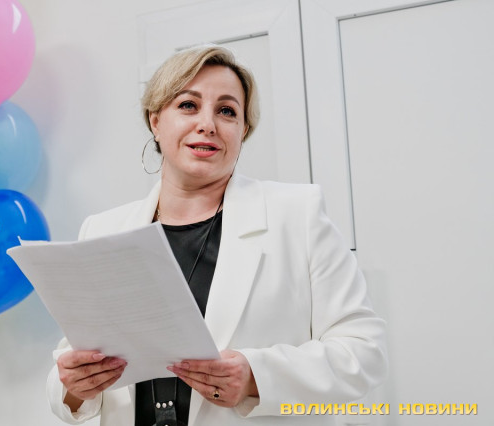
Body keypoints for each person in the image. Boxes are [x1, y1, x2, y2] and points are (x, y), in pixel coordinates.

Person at [46, 45, 388, 426]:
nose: (207, 124)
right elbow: (69, 365)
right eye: (188, 105)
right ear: (155, 121)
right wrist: (74, 385)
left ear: (243, 131)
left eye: (226, 111)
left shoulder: (298, 215)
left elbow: (365, 352)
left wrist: (256, 376)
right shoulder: (102, 230)